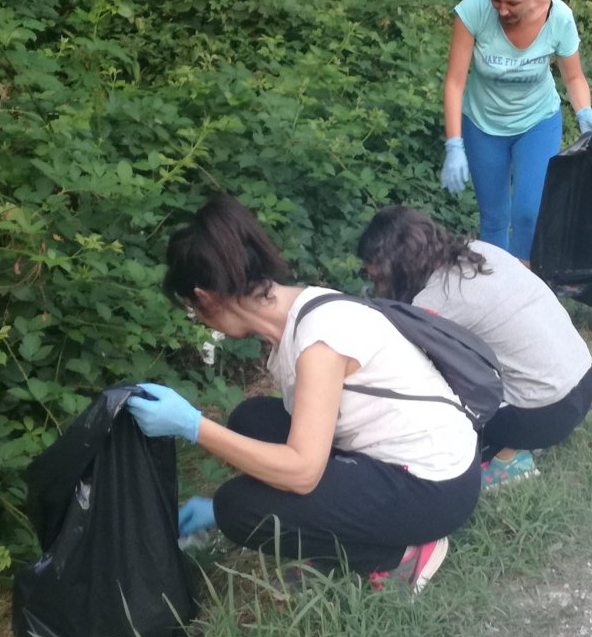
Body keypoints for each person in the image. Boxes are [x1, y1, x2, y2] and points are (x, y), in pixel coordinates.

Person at [126, 195, 481, 592]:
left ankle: (399, 555)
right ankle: (365, 529)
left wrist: (194, 427)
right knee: (251, 420)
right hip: (400, 455)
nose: (198, 319)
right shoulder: (301, 311)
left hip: (435, 487)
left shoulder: (319, 340)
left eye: (193, 309)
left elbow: (302, 472)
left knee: (237, 509)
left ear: (206, 297)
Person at [357, 205, 592, 488]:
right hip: (581, 382)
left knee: (428, 390)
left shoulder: (433, 301)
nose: (377, 287)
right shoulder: (480, 250)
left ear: (398, 267)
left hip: (544, 412)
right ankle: (521, 436)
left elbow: (404, 373)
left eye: (379, 279)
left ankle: (509, 457)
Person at [441, 0, 592, 259]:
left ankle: (525, 287)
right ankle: (496, 290)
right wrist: (454, 144)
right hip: (483, 126)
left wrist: (584, 112)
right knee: (494, 218)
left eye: (511, 3)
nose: (502, 10)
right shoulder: (472, 12)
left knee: (529, 213)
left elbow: (573, 76)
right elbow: (454, 83)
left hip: (537, 122)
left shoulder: (559, 18)